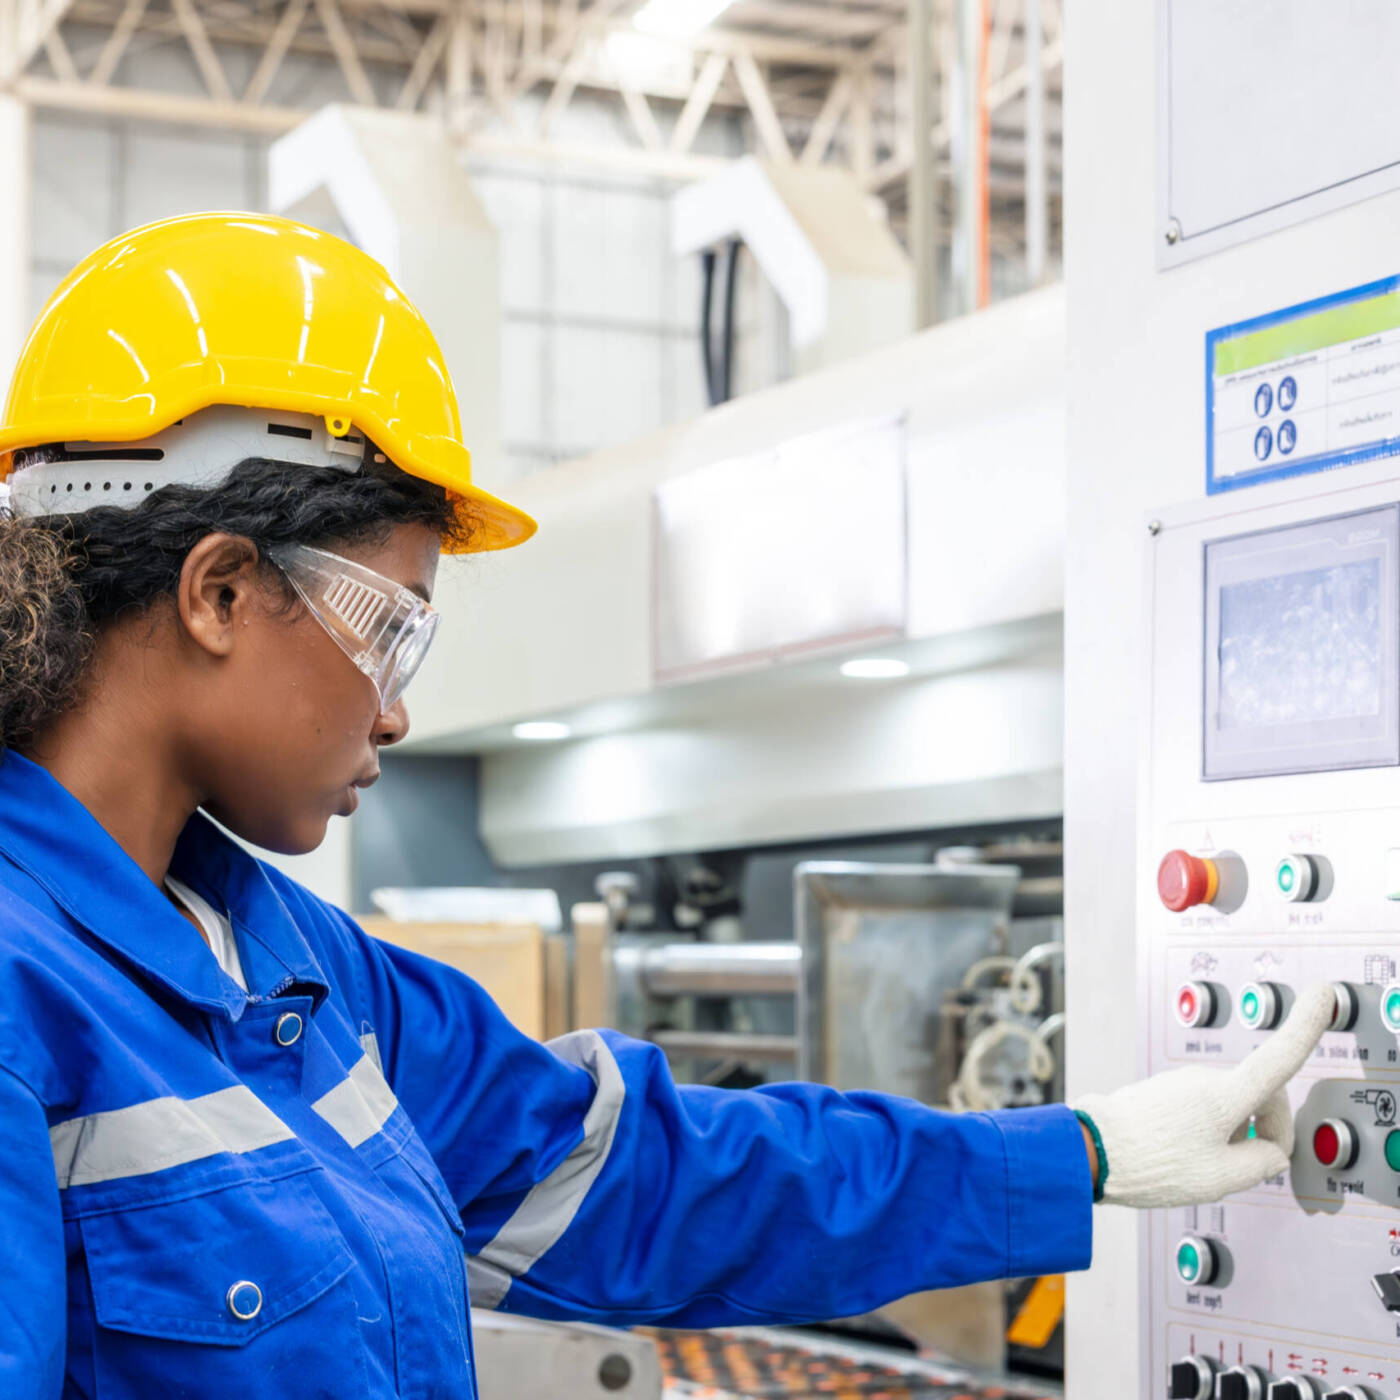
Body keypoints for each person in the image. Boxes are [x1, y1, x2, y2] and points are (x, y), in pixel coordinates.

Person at [0, 214, 1334, 1399]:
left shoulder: (298, 974)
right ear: (222, 591)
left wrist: (1081, 1153)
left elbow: (650, 1183)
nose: (396, 711)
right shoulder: (21, 994)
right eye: (389, 629)